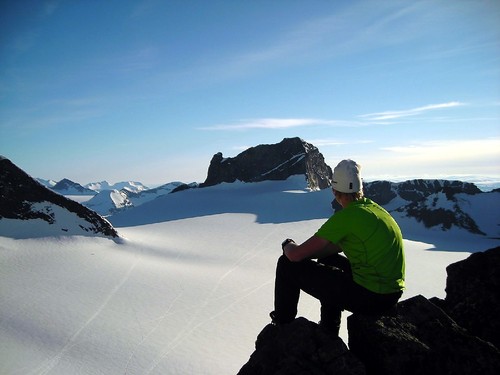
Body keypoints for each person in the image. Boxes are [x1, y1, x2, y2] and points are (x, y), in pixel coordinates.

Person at [270, 159, 405, 336]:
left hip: (371, 297)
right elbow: (333, 249)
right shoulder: (376, 210)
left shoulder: (347, 217)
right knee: (327, 261)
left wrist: (288, 245)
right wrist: (307, 256)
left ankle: (282, 324)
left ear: (335, 192)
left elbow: (294, 256)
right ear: (359, 189)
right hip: (391, 295)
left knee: (286, 264)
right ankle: (329, 327)